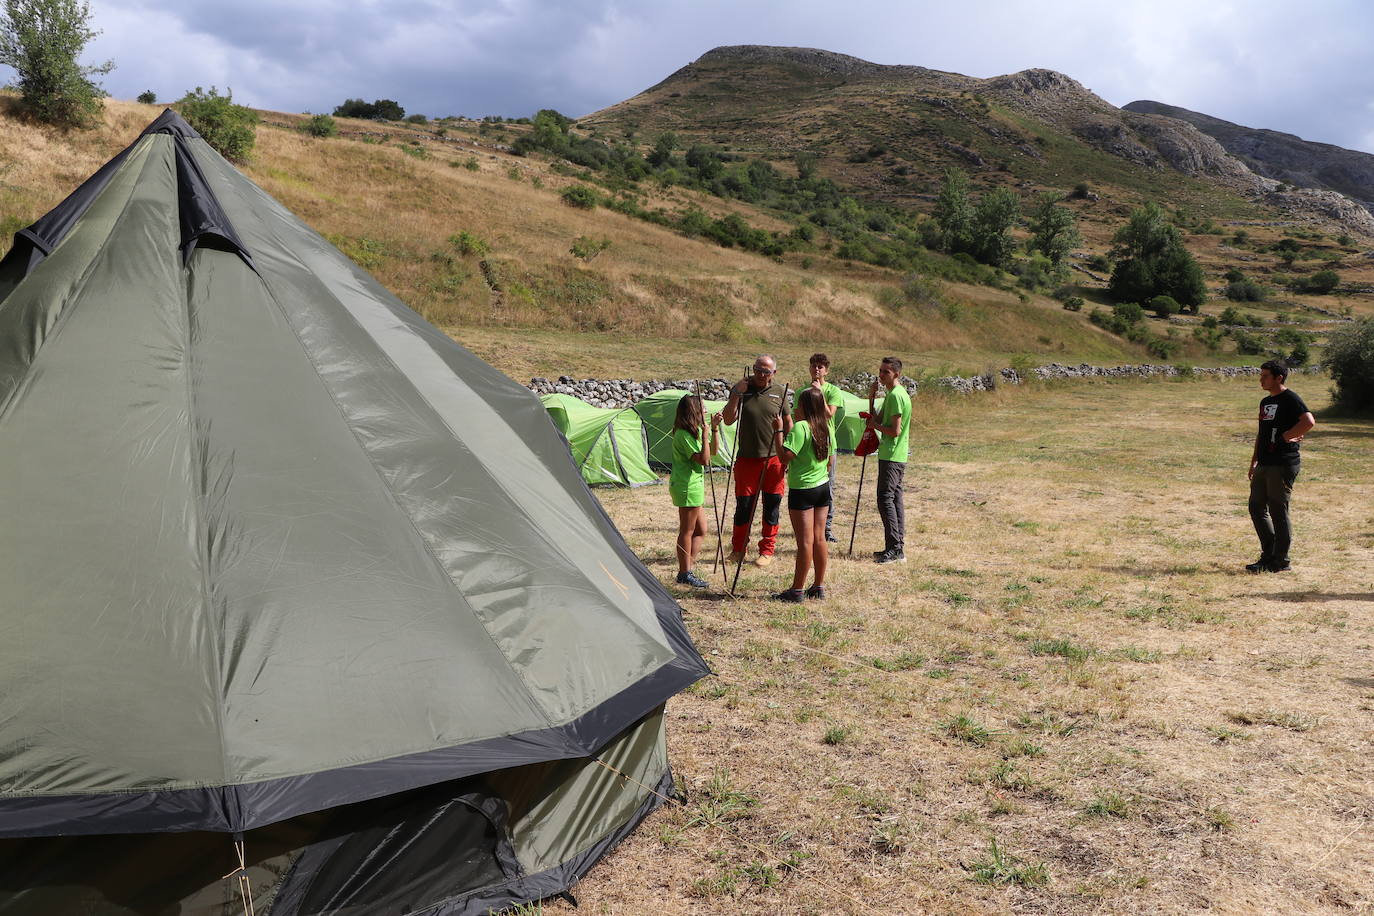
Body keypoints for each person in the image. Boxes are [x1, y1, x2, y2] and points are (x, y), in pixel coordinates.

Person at [1246, 359, 1315, 573]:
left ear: (1279, 378)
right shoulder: (1265, 402)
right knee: (1256, 507)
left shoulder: (1290, 399)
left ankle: (1281, 561)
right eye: (1261, 375)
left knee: (1277, 510)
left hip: (1282, 464)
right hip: (1264, 463)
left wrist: (1286, 436)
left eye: (1265, 376)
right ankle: (1269, 555)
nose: (1261, 379)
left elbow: (1309, 421)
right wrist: (1254, 460)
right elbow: (1262, 433)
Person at [722, 355, 788, 567]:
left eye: (766, 371)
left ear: (773, 373)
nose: (761, 375)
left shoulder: (780, 392)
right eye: (758, 370)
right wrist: (736, 394)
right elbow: (728, 419)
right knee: (744, 507)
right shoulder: (742, 387)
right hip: (746, 460)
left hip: (774, 460)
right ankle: (738, 550)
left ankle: (767, 551)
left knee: (771, 506)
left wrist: (788, 450)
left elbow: (789, 423)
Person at [772, 387, 833, 602]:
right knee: (819, 538)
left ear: (806, 407)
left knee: (805, 542)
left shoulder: (800, 428)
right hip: (823, 488)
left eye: (798, 404)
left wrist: (778, 431)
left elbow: (784, 457)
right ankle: (818, 586)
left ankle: (797, 590)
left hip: (803, 490)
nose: (795, 408)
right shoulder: (826, 427)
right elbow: (830, 460)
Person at [669, 394, 723, 588]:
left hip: (694, 485)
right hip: (686, 487)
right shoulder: (684, 435)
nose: (706, 411)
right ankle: (684, 573)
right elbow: (704, 460)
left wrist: (714, 429)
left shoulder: (694, 432)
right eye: (702, 409)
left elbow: (713, 452)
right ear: (693, 412)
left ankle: (687, 568)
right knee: (687, 530)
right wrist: (706, 435)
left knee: (701, 530)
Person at [867, 356, 911, 564]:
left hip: (892, 455)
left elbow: (894, 431)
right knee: (894, 499)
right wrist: (871, 397)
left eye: (886, 372)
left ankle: (894, 548)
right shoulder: (894, 394)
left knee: (885, 499)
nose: (881, 375)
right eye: (880, 371)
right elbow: (874, 419)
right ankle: (895, 546)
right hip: (895, 454)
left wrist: (875, 427)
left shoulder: (895, 396)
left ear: (896, 374)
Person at [804, 353, 844, 542]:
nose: (816, 369)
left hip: (828, 445)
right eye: (813, 366)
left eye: (820, 367)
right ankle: (809, 524)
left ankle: (826, 528)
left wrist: (819, 393)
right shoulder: (802, 392)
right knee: (809, 485)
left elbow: (828, 415)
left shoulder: (833, 391)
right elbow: (799, 417)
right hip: (807, 445)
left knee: (828, 486)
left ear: (826, 370)